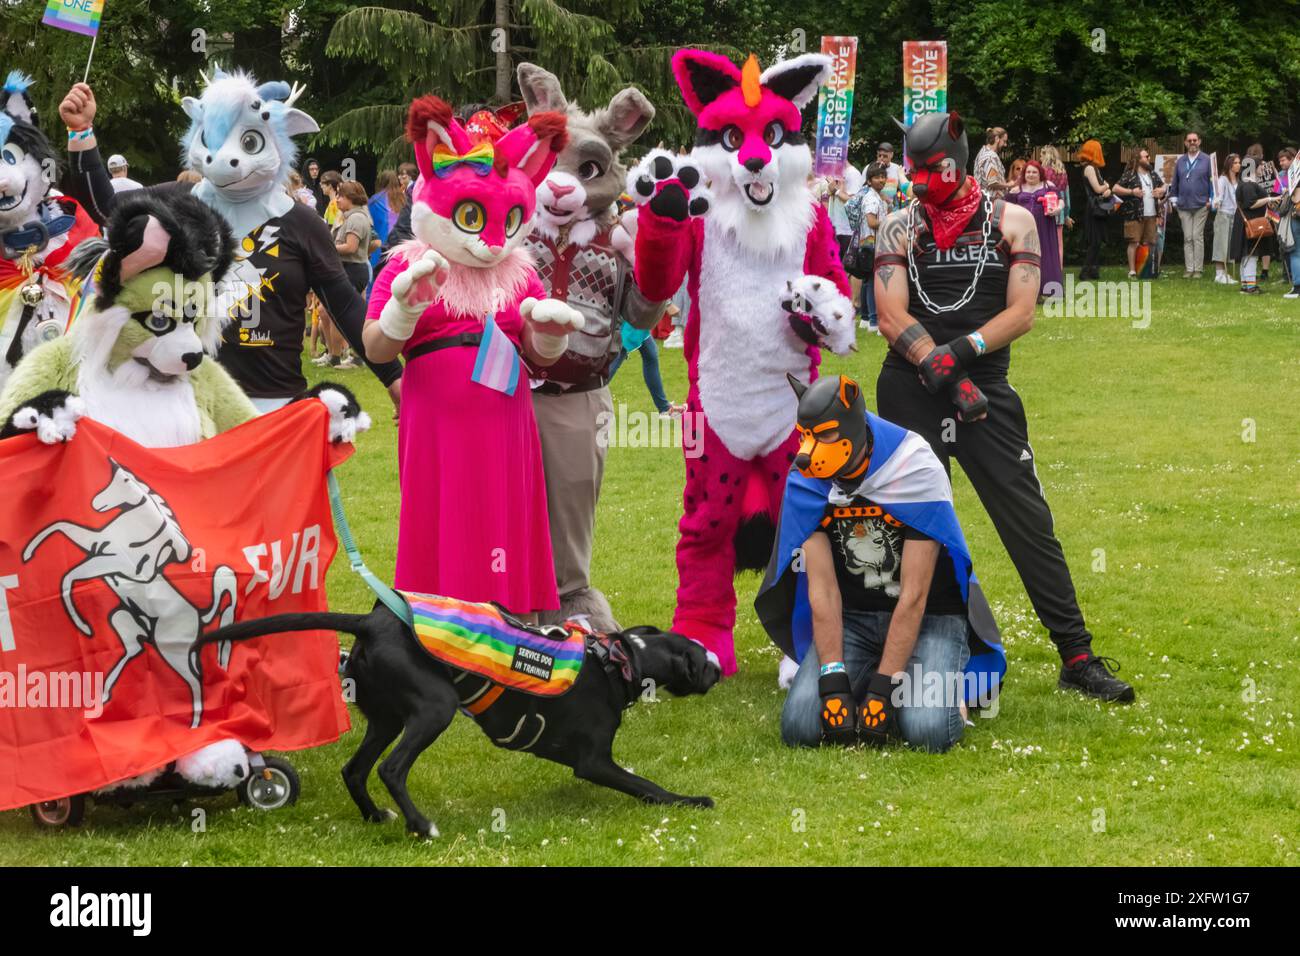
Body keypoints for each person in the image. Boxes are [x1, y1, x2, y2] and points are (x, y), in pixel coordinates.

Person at [872, 109, 1136, 703]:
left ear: (959, 164)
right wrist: (940, 372)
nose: (918, 182)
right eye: (913, 171)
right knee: (908, 525)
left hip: (984, 388)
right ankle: (904, 651)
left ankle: (1078, 655)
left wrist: (960, 358)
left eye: (930, 170)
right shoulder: (896, 226)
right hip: (910, 387)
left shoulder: (1012, 220)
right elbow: (890, 316)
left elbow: (1021, 313)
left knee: (1027, 519)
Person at [58, 74, 402, 414]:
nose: (226, 156)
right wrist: (81, 132)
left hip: (273, 407)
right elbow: (108, 208)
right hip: (189, 405)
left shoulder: (302, 223)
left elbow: (343, 305)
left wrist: (394, 379)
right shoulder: (177, 205)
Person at [361, 94, 580, 617]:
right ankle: (437, 617)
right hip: (434, 415)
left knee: (499, 511)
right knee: (441, 511)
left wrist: (546, 337)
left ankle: (507, 616)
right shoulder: (406, 266)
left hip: (504, 415)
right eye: (471, 216)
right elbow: (374, 346)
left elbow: (537, 356)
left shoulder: (520, 271)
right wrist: (402, 312)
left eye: (506, 223)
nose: (489, 243)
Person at [756, 373, 1005, 751]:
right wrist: (833, 678)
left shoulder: (915, 467)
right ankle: (871, 674)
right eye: (805, 435)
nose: (809, 449)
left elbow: (916, 595)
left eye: (823, 435)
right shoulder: (808, 480)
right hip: (855, 618)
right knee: (801, 726)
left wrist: (885, 687)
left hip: (930, 618)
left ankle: (948, 687)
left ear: (853, 428)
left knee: (926, 731)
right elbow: (821, 588)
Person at [1007, 160, 1063, 297]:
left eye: (1034, 172)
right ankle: (1029, 291)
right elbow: (1007, 208)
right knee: (1026, 258)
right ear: (1024, 174)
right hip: (1024, 229)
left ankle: (1050, 289)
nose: (1031, 175)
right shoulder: (1016, 190)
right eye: (1028, 172)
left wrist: (1057, 209)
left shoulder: (1048, 186)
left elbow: (1060, 200)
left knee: (1047, 255)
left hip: (1045, 227)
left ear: (1040, 173)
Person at [846, 162, 888, 330]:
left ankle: (864, 318)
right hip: (872, 243)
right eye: (877, 177)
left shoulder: (874, 195)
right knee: (872, 282)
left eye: (883, 177)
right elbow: (871, 222)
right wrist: (888, 222)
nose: (881, 180)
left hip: (867, 243)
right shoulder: (871, 198)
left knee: (866, 280)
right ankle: (874, 321)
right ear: (869, 181)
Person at [1115, 147, 1166, 278]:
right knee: (1134, 242)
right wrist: (1132, 192)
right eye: (1146, 156)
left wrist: (1160, 190)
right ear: (1138, 159)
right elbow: (1115, 188)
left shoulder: (1152, 173)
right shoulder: (1130, 174)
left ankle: (1146, 271)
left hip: (1152, 213)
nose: (1149, 158)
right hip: (1134, 213)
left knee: (1149, 242)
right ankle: (1132, 271)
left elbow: (1164, 185)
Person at [1167, 131, 1213, 278]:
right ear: (1186, 143)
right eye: (1189, 140)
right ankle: (1189, 268)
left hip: (1201, 205)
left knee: (1196, 236)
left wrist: (1211, 199)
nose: (1192, 143)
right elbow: (1175, 181)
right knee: (1187, 237)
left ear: (1199, 142)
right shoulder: (1180, 161)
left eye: (1195, 140)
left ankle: (1198, 270)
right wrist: (1173, 199)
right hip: (1183, 205)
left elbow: (1213, 181)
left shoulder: (1207, 160)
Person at [1233, 162, 1273, 295]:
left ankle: (1246, 286)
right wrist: (1269, 198)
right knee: (1251, 254)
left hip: (1247, 222)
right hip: (1251, 223)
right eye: (1261, 166)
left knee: (1247, 254)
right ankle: (1250, 287)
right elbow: (1251, 204)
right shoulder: (1249, 184)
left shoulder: (1245, 183)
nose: (1263, 168)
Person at [1077, 139, 1112, 280]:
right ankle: (1086, 271)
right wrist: (1107, 186)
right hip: (1094, 208)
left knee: (1096, 241)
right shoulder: (1090, 168)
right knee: (1095, 241)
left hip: (1095, 207)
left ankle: (1093, 270)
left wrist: (1106, 189)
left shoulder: (1092, 167)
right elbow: (1098, 188)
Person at [332, 180, 375, 294]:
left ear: (350, 197)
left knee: (329, 311)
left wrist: (328, 247)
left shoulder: (356, 218)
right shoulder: (352, 216)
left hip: (352, 271)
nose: (337, 199)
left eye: (340, 196)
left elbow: (351, 247)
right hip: (350, 270)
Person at [1038, 145, 1071, 271]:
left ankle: (1045, 270)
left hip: (1045, 209)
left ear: (1045, 155)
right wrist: (1066, 213)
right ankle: (1058, 271)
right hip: (1059, 211)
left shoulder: (1042, 172)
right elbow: (1066, 195)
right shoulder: (1062, 171)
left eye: (1041, 155)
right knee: (1058, 244)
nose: (1040, 158)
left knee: (1044, 242)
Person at [1212, 153, 1240, 284]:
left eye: (1239, 163)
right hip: (1223, 214)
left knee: (1229, 245)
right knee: (1221, 244)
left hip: (1234, 215)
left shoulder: (1238, 181)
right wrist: (1217, 201)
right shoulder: (1223, 179)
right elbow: (1218, 195)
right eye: (1235, 163)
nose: (1238, 165)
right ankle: (1219, 274)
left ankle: (1226, 273)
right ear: (1229, 165)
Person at [875, 141, 909, 211]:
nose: (881, 158)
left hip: (891, 208)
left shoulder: (897, 169)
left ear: (891, 155)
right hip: (874, 207)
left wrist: (901, 205)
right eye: (879, 155)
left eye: (885, 156)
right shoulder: (869, 168)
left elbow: (904, 190)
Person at [973, 126, 1008, 193]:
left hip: (984, 199)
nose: (1005, 145)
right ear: (997, 139)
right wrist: (1009, 185)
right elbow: (993, 183)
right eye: (1004, 141)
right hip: (991, 201)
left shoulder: (983, 152)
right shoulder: (990, 157)